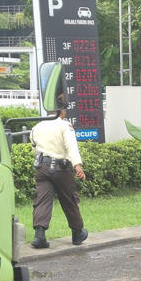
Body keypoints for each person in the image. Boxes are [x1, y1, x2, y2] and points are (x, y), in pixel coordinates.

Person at [30, 101, 87, 249]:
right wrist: (77, 165)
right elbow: (71, 146)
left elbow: (33, 144)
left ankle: (40, 236)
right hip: (61, 168)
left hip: (41, 167)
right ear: (61, 112)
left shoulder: (38, 126)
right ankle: (77, 233)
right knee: (69, 199)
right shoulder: (64, 125)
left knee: (42, 199)